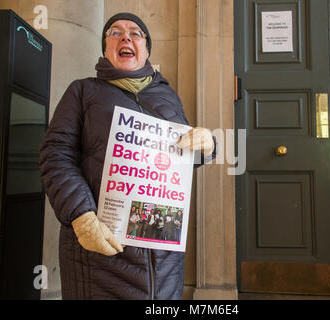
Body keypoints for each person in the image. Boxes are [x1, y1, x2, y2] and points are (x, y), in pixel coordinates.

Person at [39, 12, 216, 300]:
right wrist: (81, 216)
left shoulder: (168, 97)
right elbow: (55, 155)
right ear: (106, 49)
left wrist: (209, 145)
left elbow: (181, 160)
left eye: (135, 33)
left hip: (163, 255)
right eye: (115, 32)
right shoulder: (83, 91)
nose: (126, 37)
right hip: (102, 250)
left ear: (146, 49)